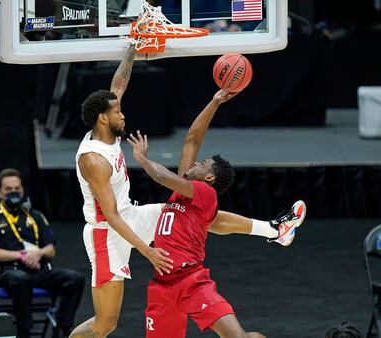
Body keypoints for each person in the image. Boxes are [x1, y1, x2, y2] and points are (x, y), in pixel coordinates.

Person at [71, 45, 305, 338]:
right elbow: (113, 216)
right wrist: (148, 252)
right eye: (118, 111)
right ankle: (274, 230)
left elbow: (119, 85)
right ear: (103, 118)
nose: (124, 114)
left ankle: (274, 230)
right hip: (108, 231)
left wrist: (132, 46)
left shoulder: (107, 127)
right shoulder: (94, 160)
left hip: (134, 219)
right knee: (105, 324)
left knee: (195, 213)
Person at [127, 89, 306, 338]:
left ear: (208, 178)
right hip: (162, 285)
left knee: (237, 337)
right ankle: (275, 229)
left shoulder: (203, 192)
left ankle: (275, 229)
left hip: (191, 281)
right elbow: (192, 140)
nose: (195, 163)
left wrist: (143, 159)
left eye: (201, 164)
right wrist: (214, 101)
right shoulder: (187, 192)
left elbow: (161, 176)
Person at [0, 168, 85, 338]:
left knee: (74, 278)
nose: (13, 193)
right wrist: (20, 256)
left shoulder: (35, 216)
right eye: (8, 190)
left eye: (17, 189)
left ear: (22, 190)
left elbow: (51, 249)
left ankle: (62, 329)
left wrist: (39, 253)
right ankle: (24, 331)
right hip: (6, 273)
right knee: (20, 278)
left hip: (36, 270)